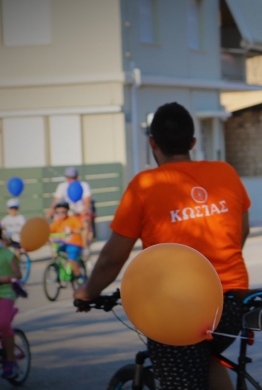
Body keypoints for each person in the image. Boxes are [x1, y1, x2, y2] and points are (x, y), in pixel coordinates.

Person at [74, 102, 251, 390]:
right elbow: (242, 231)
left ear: (152, 142)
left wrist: (87, 291)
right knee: (206, 356)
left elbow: (111, 258)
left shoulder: (144, 185)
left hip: (177, 311)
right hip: (232, 307)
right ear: (193, 142)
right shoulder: (225, 172)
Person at [46, 167, 93, 253]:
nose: (70, 179)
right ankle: (55, 253)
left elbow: (87, 201)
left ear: (77, 177)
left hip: (80, 213)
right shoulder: (62, 186)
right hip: (67, 214)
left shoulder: (84, 185)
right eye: (68, 177)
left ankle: (84, 247)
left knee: (85, 224)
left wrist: (85, 210)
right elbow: (55, 200)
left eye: (72, 177)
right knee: (53, 227)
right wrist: (51, 212)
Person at [0, 230, 21, 379]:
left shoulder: (7, 254)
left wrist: (7, 278)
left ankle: (11, 361)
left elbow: (18, 274)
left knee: (2, 322)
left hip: (6, 292)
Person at [49, 202, 86, 284]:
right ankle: (56, 267)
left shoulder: (72, 219)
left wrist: (74, 230)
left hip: (74, 243)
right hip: (63, 243)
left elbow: (80, 226)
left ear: (67, 211)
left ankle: (79, 276)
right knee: (54, 248)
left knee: (71, 259)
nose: (60, 214)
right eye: (57, 212)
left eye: (63, 212)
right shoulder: (57, 222)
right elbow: (49, 229)